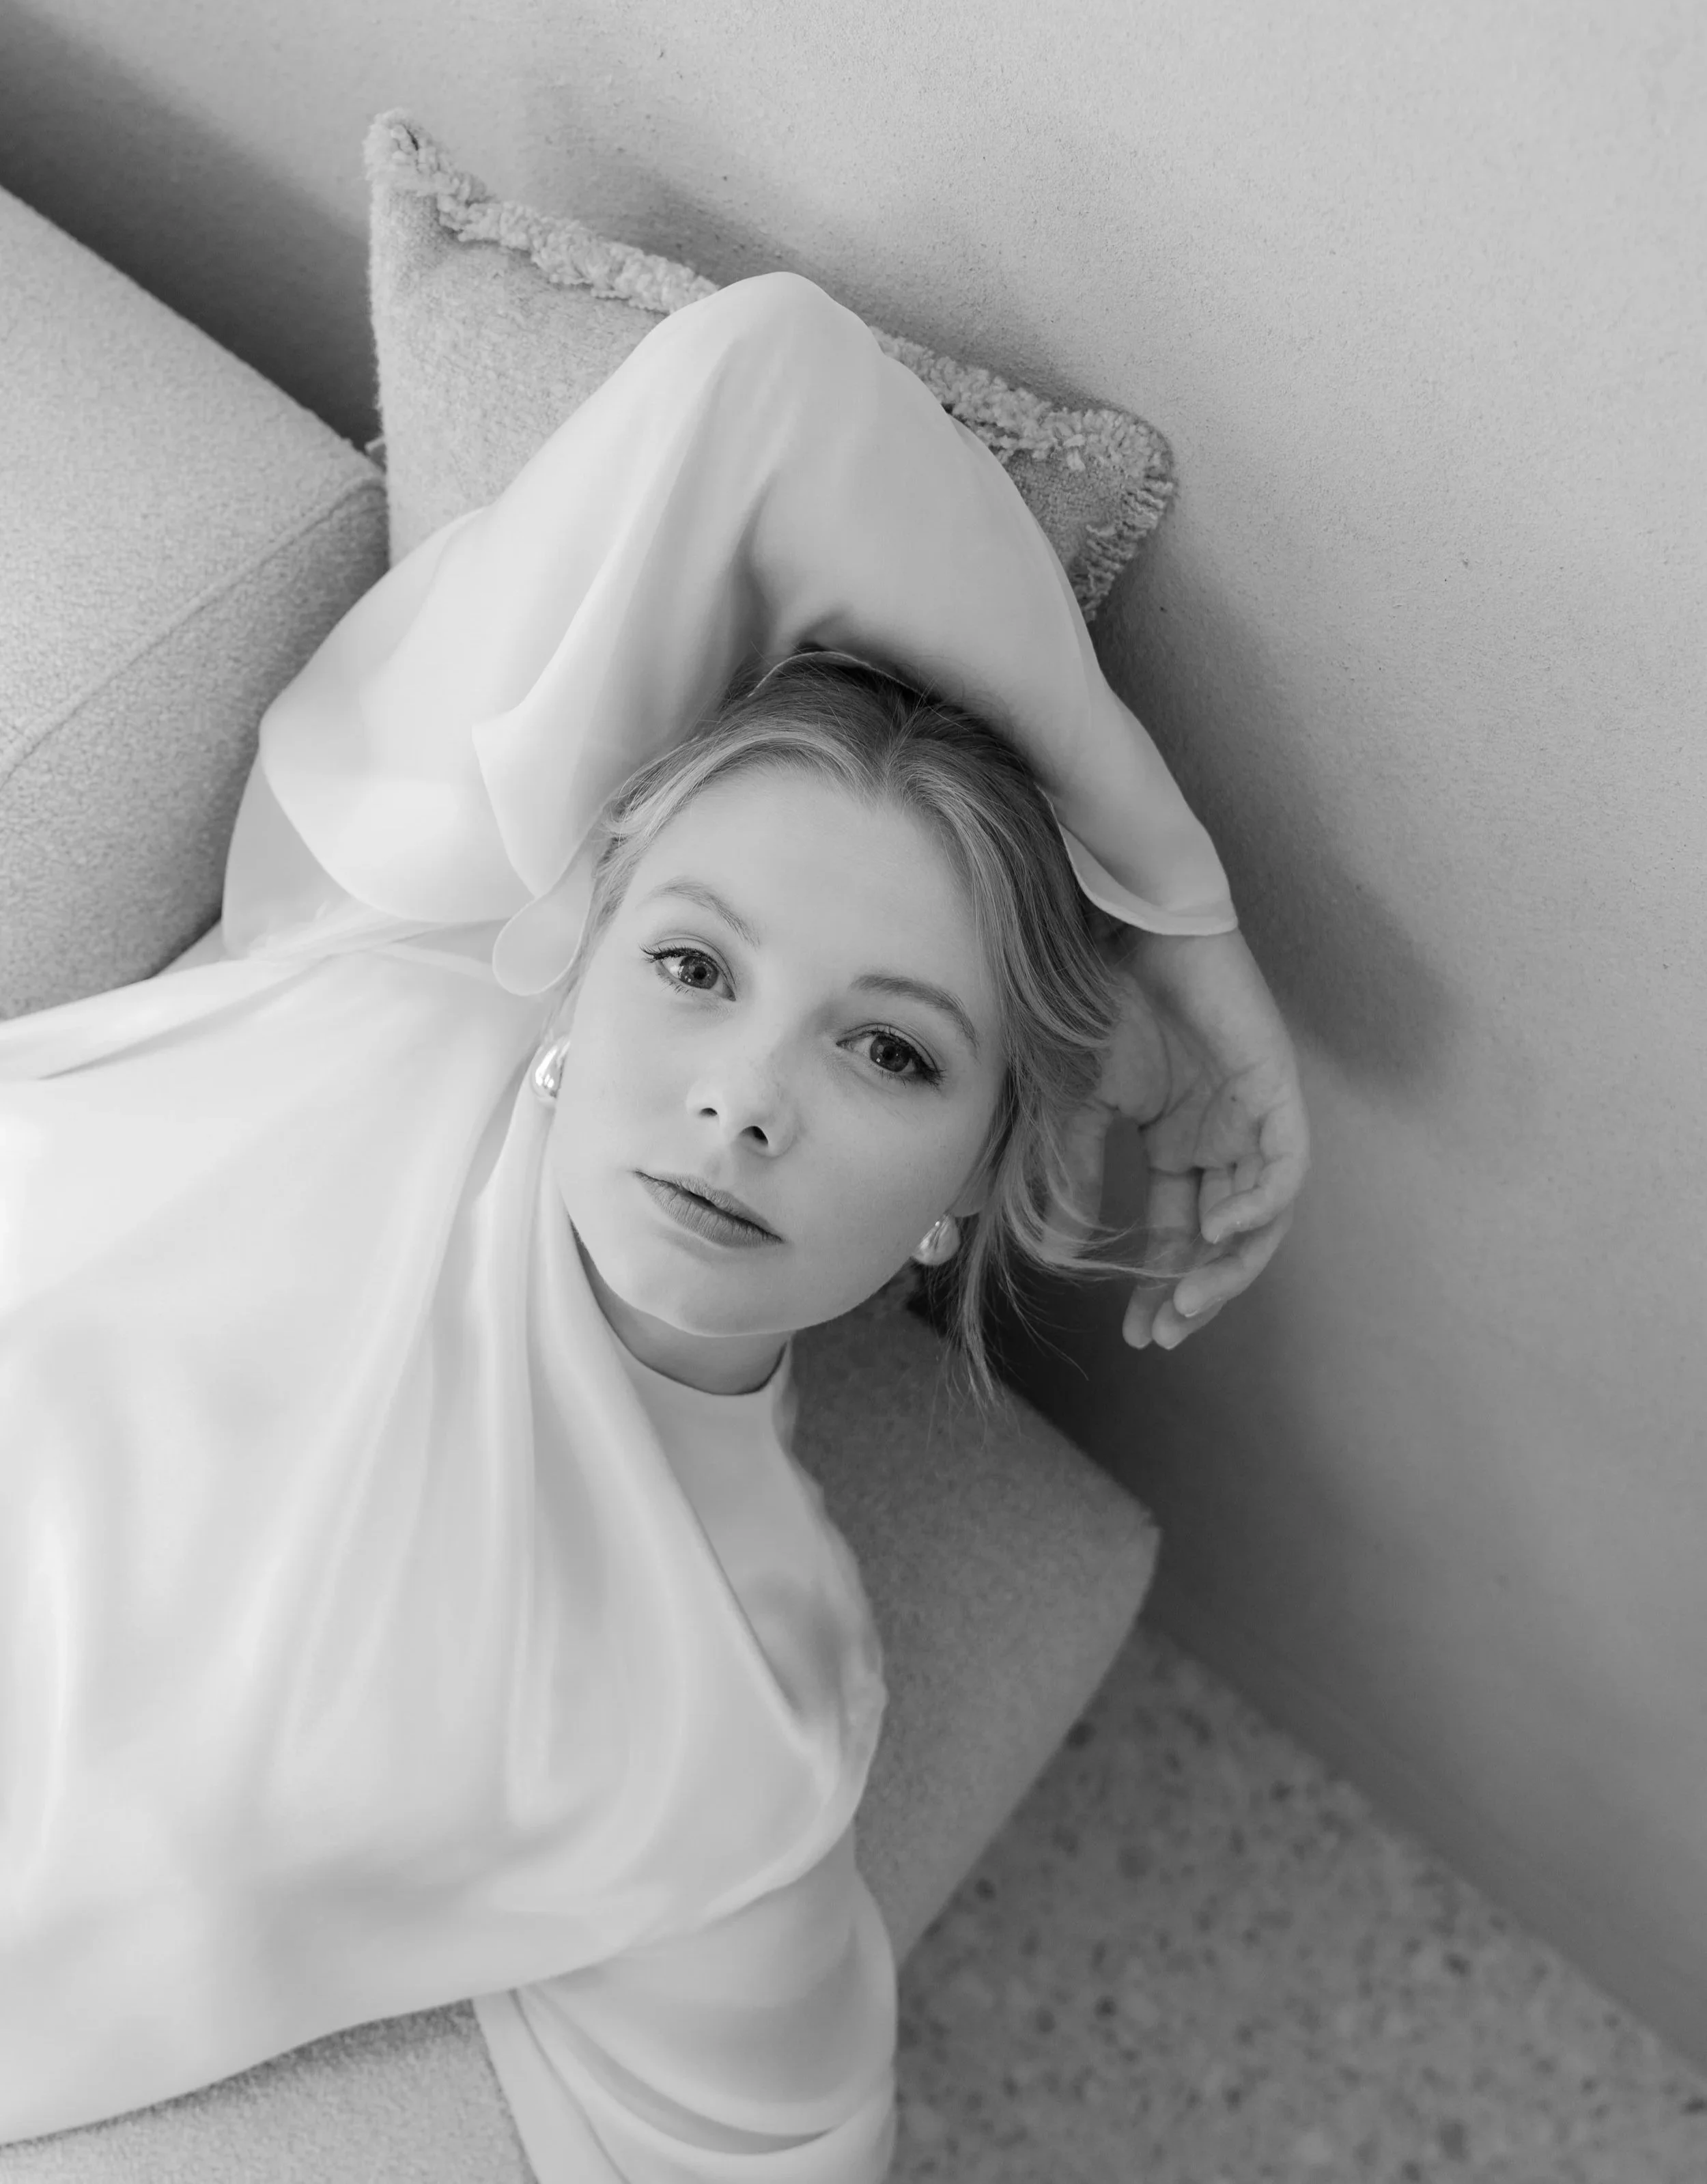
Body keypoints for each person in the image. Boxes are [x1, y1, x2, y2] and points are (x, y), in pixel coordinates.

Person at [0, 271, 1306, 2178]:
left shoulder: (730, 1719)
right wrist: (1184, 925)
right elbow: (763, 377)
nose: (744, 1093)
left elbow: (772, 2146)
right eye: (693, 962)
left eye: (886, 1047)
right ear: (578, 937)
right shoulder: (399, 954)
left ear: (965, 1187)